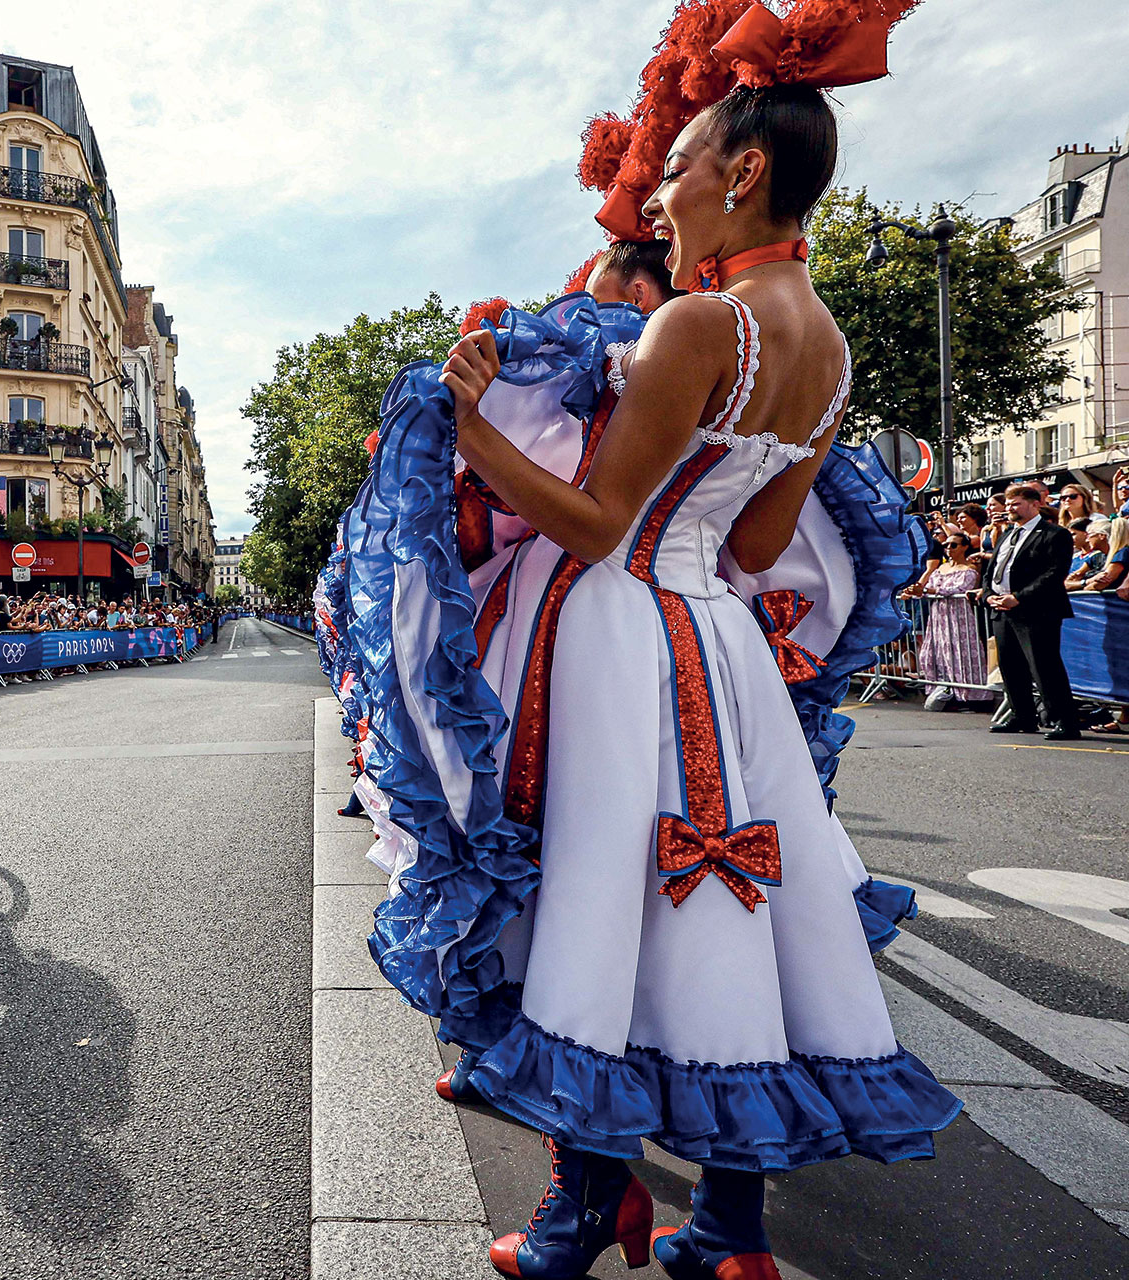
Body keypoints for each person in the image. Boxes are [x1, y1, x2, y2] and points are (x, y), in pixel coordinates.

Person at [361, 12, 959, 1275]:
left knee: (602, 891)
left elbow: (589, 526)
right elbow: (753, 551)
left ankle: (582, 1212)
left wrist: (468, 427)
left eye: (683, 166)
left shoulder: (697, 328)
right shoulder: (829, 351)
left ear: (742, 174)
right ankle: (725, 1223)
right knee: (724, 911)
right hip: (722, 644)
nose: (665, 197)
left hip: (619, 630)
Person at [981, 483, 1080, 739]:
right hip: (1002, 610)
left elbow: (1054, 574)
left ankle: (1064, 721)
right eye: (1009, 504)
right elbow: (992, 572)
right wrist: (990, 595)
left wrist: (1019, 597)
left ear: (1036, 504)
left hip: (1037, 611)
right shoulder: (1005, 535)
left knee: (1044, 666)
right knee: (1010, 667)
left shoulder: (1053, 534)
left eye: (1017, 504)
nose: (1011, 509)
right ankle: (1022, 715)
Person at [915, 534, 994, 710]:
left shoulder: (969, 569)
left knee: (961, 653)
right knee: (935, 654)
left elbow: (960, 588)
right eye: (946, 545)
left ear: (965, 547)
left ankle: (972, 695)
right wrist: (920, 590)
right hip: (938, 617)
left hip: (959, 617)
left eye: (953, 545)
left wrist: (930, 589)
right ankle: (945, 690)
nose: (949, 548)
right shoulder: (940, 568)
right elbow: (930, 590)